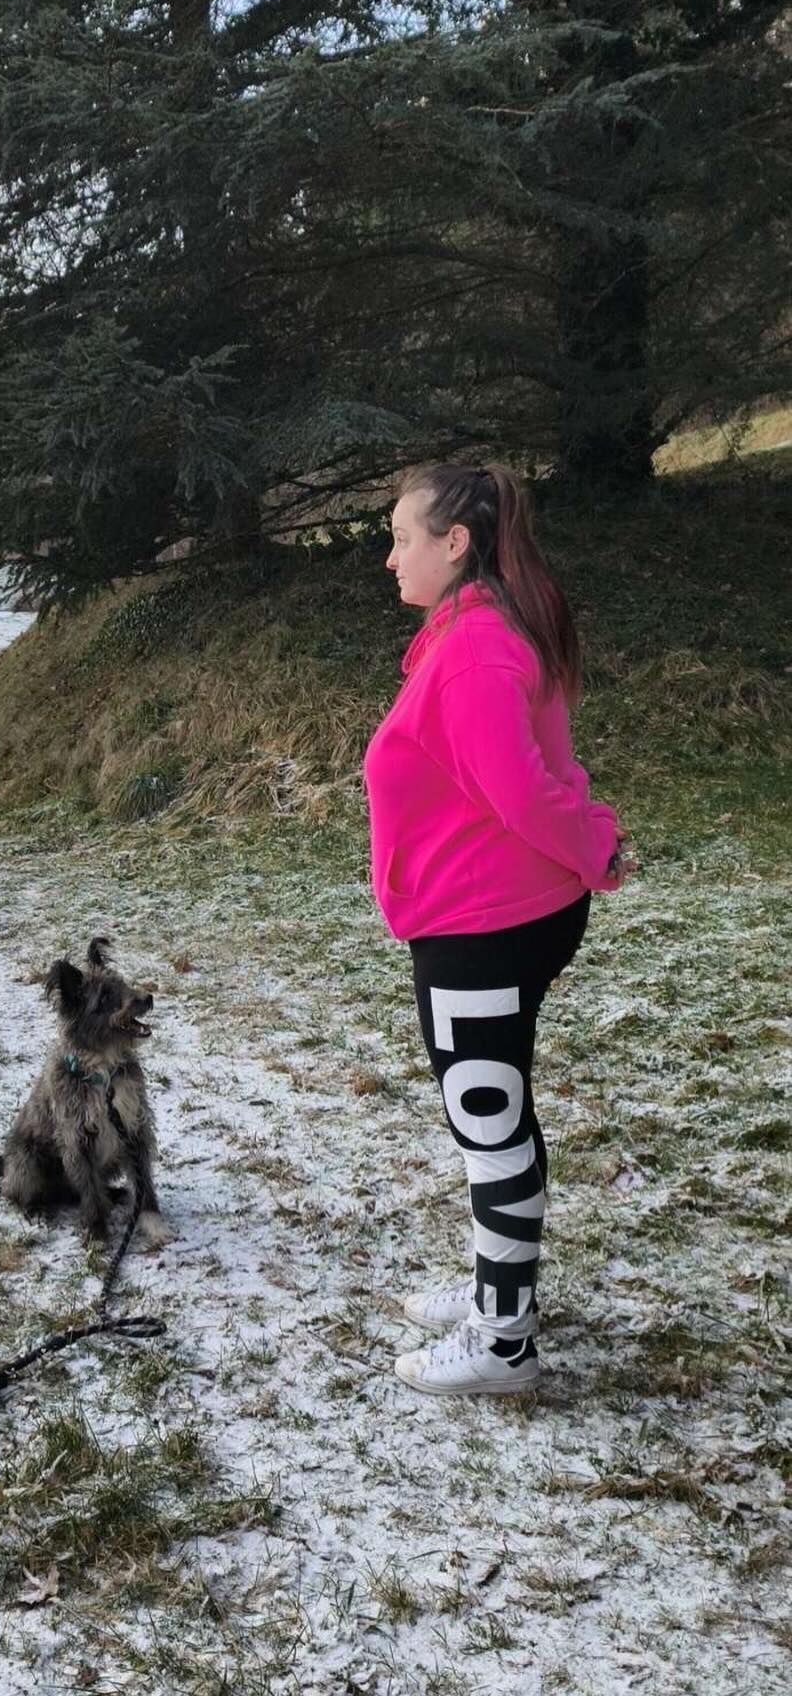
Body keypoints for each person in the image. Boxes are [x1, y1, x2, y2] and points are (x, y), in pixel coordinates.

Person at [362, 463, 631, 1397]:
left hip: (485, 923)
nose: (388, 554)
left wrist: (594, 847)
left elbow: (526, 790)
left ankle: (502, 1343)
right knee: (499, 1115)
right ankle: (496, 1287)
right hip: (490, 912)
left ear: (456, 543)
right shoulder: (470, 631)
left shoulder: (474, 646)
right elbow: (534, 770)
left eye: (401, 536)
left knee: (489, 1121)